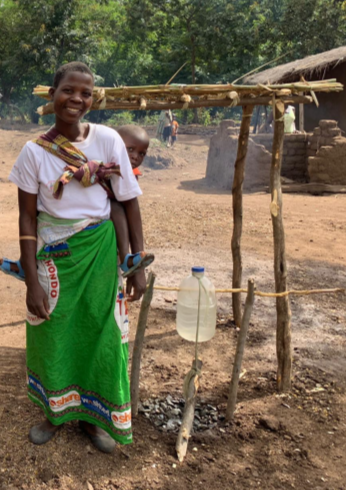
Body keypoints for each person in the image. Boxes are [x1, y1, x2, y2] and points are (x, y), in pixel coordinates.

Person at [7, 61, 147, 452]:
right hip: (55, 256)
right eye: (69, 90)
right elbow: (27, 215)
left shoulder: (107, 140)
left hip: (101, 253)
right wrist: (32, 278)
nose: (77, 99)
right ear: (52, 95)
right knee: (52, 331)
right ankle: (55, 412)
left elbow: (129, 200)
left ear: (92, 99)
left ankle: (91, 417)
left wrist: (136, 263)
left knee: (100, 334)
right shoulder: (33, 153)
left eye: (86, 93)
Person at [0, 125, 152, 281]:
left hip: (101, 233)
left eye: (142, 154)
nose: (136, 157)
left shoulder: (123, 165)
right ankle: (24, 263)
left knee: (117, 207)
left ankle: (126, 256)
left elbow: (129, 201)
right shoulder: (35, 150)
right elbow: (27, 216)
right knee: (37, 210)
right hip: (55, 225)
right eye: (130, 149)